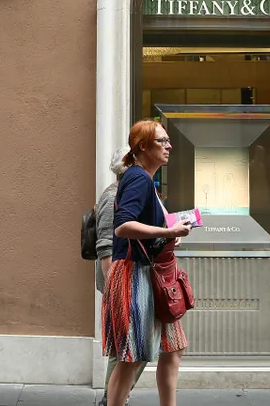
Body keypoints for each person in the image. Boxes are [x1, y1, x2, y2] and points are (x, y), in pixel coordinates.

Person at [101, 120, 194, 406]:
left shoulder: (143, 179)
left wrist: (168, 235)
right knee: (131, 357)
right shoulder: (139, 178)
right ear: (142, 147)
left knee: (173, 349)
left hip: (149, 274)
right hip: (136, 275)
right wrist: (168, 232)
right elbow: (122, 226)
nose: (169, 146)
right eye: (162, 141)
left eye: (168, 141)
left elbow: (138, 226)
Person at [95, 145, 146, 406]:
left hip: (128, 279)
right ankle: (111, 399)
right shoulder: (112, 196)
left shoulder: (124, 194)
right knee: (123, 347)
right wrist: (114, 288)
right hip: (119, 280)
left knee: (129, 346)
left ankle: (116, 397)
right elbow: (105, 245)